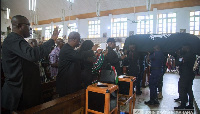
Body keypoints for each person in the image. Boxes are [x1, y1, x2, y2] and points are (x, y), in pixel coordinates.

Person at [1, 15, 60, 111]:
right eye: (28, 25)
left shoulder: (18, 40)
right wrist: (52, 40)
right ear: (20, 26)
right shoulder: (13, 40)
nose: (31, 28)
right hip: (18, 93)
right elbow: (33, 55)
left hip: (25, 90)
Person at [56, 32, 98, 97]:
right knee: (67, 103)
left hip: (70, 81)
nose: (79, 42)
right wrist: (92, 51)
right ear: (74, 40)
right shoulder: (66, 49)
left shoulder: (70, 49)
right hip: (66, 82)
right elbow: (78, 55)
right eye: (79, 40)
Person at [174, 44, 196, 110]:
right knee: (189, 90)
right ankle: (190, 105)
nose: (182, 49)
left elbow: (178, 63)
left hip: (185, 75)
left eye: (183, 47)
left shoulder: (187, 55)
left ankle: (183, 105)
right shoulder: (192, 54)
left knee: (182, 89)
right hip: (189, 74)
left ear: (187, 47)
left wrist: (177, 55)